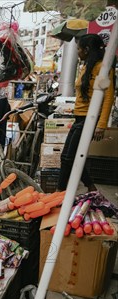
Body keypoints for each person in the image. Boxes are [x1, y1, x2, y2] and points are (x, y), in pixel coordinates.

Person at [58, 34, 114, 192]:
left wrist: (101, 125)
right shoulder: (86, 66)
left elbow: (108, 97)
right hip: (80, 118)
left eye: (79, 49)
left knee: (69, 158)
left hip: (89, 120)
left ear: (87, 49)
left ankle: (59, 192)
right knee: (70, 157)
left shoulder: (102, 68)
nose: (78, 52)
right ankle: (92, 189)